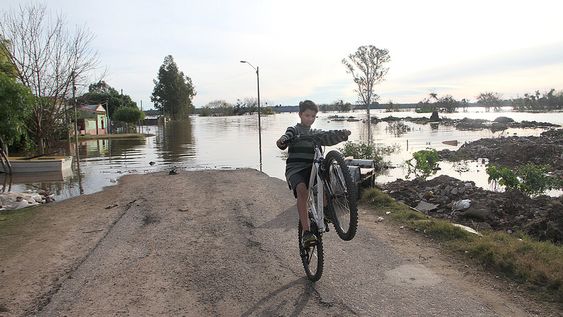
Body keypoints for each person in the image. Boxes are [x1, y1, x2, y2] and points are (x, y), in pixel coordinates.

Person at [276, 100, 351, 246]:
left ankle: (326, 211)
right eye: (307, 115)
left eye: (313, 116)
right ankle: (306, 232)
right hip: (295, 169)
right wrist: (283, 140)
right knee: (303, 192)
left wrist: (342, 134)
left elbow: (328, 136)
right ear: (300, 115)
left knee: (324, 181)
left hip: (312, 169)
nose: (309, 119)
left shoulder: (315, 133)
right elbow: (285, 138)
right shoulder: (294, 130)